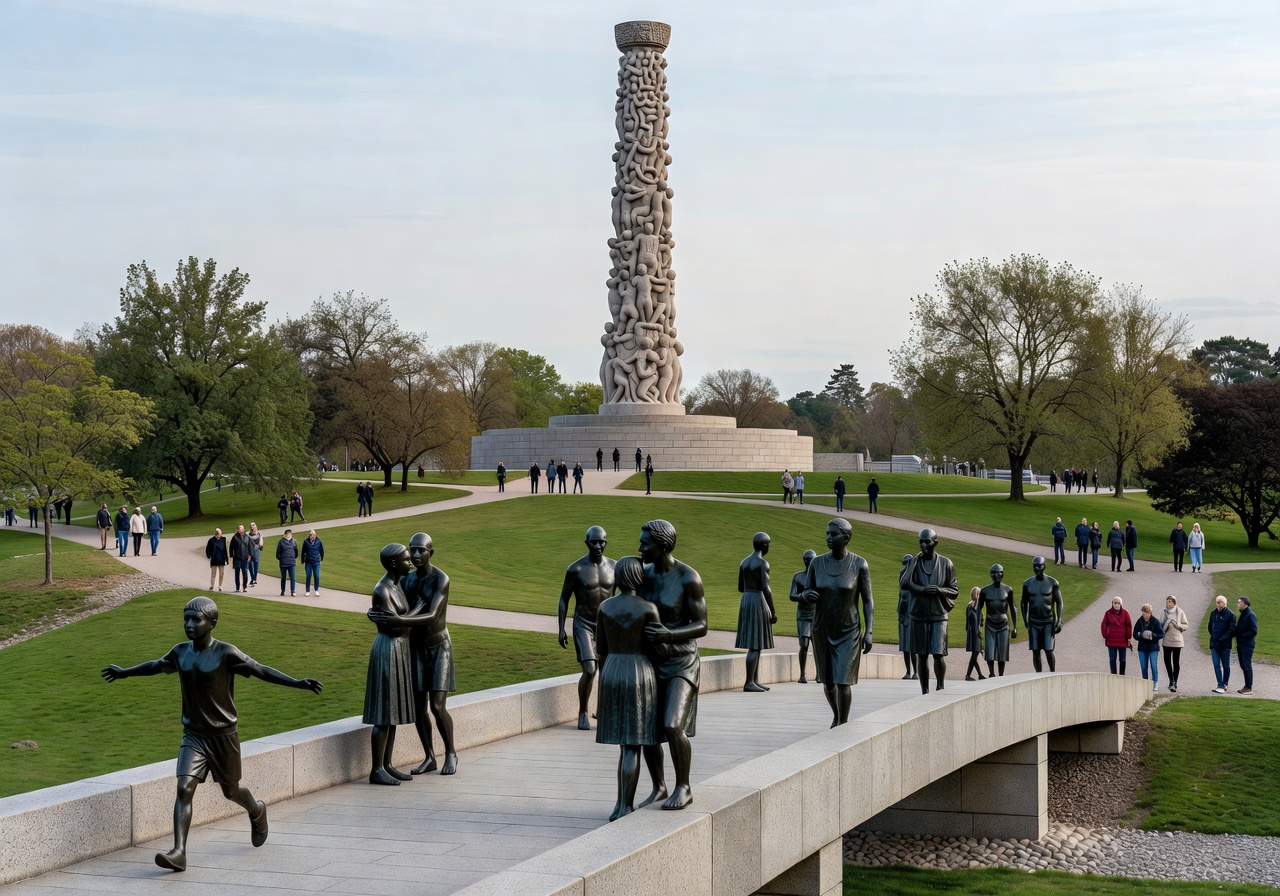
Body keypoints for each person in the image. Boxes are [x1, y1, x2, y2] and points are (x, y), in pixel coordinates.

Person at [100, 596, 322, 872]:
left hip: (223, 736)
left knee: (231, 791)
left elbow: (261, 669)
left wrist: (297, 683)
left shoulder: (226, 653)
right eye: (186, 618)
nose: (189, 624)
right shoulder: (180, 652)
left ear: (212, 623)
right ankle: (179, 852)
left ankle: (257, 810)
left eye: (196, 619)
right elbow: (157, 665)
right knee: (184, 788)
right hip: (193, 735)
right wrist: (125, 673)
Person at [637, 519, 707, 810]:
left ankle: (684, 786)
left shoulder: (688, 578)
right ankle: (659, 787)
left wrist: (670, 633)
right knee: (648, 729)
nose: (640, 547)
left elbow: (702, 624)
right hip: (652, 660)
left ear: (662, 545)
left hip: (681, 660)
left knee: (671, 724)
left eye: (645, 543)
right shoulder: (644, 576)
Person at [594, 555, 662, 822]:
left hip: (612, 671)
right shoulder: (648, 608)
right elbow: (657, 647)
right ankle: (624, 806)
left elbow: (600, 648)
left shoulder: (605, 607)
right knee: (633, 743)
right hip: (638, 671)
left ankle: (622, 802)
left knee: (625, 744)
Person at [801, 518, 874, 727]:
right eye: (827, 534)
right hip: (822, 628)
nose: (828, 538)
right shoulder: (817, 563)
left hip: (848, 630)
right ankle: (836, 714)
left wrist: (869, 631)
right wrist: (807, 596)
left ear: (847, 538)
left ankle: (843, 722)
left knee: (843, 680)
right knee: (828, 681)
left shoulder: (859, 564)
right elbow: (806, 591)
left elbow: (868, 600)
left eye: (834, 534)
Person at [362, 544, 416, 785]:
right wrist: (420, 612)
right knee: (384, 712)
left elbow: (401, 621)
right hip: (388, 650)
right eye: (406, 559)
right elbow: (396, 626)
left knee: (392, 711)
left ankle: (387, 764)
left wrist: (407, 617)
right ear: (394, 564)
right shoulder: (382, 590)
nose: (411, 562)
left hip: (399, 650)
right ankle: (376, 769)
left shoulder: (399, 584)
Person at [558, 526, 617, 730]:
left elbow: (620, 598)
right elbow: (564, 599)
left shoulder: (614, 567)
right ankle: (582, 711)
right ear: (587, 543)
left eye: (602, 542)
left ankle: (602, 710)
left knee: (607, 670)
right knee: (590, 670)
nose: (598, 546)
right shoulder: (576, 569)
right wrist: (561, 628)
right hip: (583, 624)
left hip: (605, 625)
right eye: (594, 542)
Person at [901, 528, 958, 694]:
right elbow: (905, 583)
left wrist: (939, 590)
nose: (923, 544)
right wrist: (912, 563)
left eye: (927, 541)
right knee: (922, 654)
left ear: (935, 543)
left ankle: (940, 686)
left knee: (938, 653)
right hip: (918, 614)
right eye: (921, 541)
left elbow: (954, 591)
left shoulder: (946, 564)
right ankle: (924, 691)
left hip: (939, 614)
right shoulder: (915, 562)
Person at [735, 532, 777, 693]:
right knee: (755, 644)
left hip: (746, 600)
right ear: (765, 546)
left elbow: (740, 587)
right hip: (757, 600)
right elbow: (766, 588)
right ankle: (749, 682)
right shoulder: (762, 563)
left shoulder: (744, 562)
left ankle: (754, 680)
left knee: (756, 643)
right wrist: (773, 611)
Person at [1021, 557, 1063, 672]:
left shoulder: (1052, 583)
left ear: (1044, 566)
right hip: (1033, 622)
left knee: (1048, 650)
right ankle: (1038, 675)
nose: (1037, 568)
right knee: (1035, 650)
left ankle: (1052, 672)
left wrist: (1059, 621)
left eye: (1039, 566)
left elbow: (1059, 603)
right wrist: (1025, 620)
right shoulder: (1027, 584)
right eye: (1035, 566)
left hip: (1048, 622)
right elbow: (1023, 603)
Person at [978, 563, 1017, 677]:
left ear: (1002, 574)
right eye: (994, 573)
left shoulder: (1008, 590)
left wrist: (1014, 627)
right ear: (991, 575)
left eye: (998, 572)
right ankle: (991, 673)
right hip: (990, 624)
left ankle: (1001, 674)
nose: (996, 575)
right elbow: (979, 608)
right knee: (989, 651)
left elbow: (1012, 608)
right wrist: (978, 623)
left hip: (1003, 625)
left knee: (1002, 653)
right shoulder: (985, 591)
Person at [789, 550, 818, 683]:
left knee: (817, 645)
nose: (809, 562)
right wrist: (802, 596)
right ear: (804, 560)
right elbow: (792, 595)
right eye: (807, 559)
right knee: (804, 644)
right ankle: (802, 674)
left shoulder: (820, 577)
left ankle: (819, 674)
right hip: (803, 613)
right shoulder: (798, 576)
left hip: (816, 614)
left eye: (811, 559)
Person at [1160, 595, 1189, 692]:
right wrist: (1166, 624)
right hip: (1167, 640)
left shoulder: (1180, 612)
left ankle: (1175, 682)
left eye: (1170, 602)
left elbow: (1186, 625)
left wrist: (1178, 625)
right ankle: (1171, 680)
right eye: (1167, 602)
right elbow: (1160, 625)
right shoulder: (1164, 612)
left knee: (1176, 662)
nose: (1168, 604)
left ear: (1174, 603)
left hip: (1177, 641)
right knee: (1167, 661)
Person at [1207, 595, 1235, 693]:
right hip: (1214, 644)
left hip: (1225, 645)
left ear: (1225, 603)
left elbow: (1231, 630)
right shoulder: (1213, 613)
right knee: (1216, 664)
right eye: (1217, 602)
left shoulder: (1230, 615)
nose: (1219, 604)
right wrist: (1215, 638)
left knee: (1226, 665)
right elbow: (1210, 627)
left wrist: (1222, 638)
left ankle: (1225, 683)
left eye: (1221, 602)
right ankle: (1220, 684)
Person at [1132, 603, 1164, 689]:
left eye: (1146, 613)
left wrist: (1152, 635)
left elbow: (1161, 634)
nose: (1144, 616)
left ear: (1150, 613)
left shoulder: (1155, 621)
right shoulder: (1139, 621)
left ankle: (1155, 682)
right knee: (1143, 666)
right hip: (1142, 647)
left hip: (1153, 647)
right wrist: (1141, 635)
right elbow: (1135, 634)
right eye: (1143, 614)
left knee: (1153, 665)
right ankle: (1145, 682)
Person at [1100, 596, 1132, 675]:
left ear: (1121, 604)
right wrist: (1105, 635)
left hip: (1122, 640)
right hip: (1112, 640)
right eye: (1115, 603)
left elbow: (1128, 625)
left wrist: (1128, 637)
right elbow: (1104, 624)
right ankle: (1113, 675)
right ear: (1112, 604)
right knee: (1112, 659)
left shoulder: (1125, 613)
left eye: (1118, 603)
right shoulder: (1108, 613)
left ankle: (1122, 675)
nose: (1116, 605)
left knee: (1123, 659)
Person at [896, 554, 914, 680]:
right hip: (907, 618)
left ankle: (912, 672)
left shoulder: (908, 589)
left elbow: (902, 603)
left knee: (910, 647)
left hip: (908, 618)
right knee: (909, 648)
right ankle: (911, 672)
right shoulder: (906, 589)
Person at [1236, 596, 1257, 695]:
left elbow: (1254, 630)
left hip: (1246, 645)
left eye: (1239, 602)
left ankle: (1249, 687)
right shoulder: (1244, 614)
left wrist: (1242, 637)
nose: (1238, 604)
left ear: (1245, 603)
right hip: (1242, 644)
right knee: (1243, 665)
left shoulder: (1249, 614)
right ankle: (1247, 686)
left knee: (1246, 665)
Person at [964, 587, 985, 681]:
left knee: (974, 654)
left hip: (973, 632)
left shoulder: (973, 606)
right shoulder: (973, 606)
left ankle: (979, 674)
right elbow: (974, 622)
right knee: (975, 654)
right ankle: (968, 675)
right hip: (974, 633)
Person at [229, 525, 252, 593]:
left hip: (245, 558)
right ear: (238, 530)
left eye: (242, 529)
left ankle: (244, 587)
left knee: (245, 573)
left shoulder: (247, 537)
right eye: (240, 529)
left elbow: (250, 547)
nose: (242, 530)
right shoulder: (235, 537)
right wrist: (231, 556)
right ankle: (237, 587)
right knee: (237, 573)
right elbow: (231, 547)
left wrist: (250, 555)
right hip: (237, 558)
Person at [301, 529, 325, 597]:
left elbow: (321, 551)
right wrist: (303, 560)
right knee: (308, 576)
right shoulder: (306, 542)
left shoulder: (318, 541)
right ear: (310, 535)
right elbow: (303, 551)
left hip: (316, 562)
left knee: (316, 576)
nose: (313, 536)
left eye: (314, 535)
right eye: (312, 535)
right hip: (308, 562)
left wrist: (321, 558)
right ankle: (307, 590)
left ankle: (316, 590)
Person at [276, 529, 299, 597]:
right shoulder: (281, 542)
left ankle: (292, 590)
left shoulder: (294, 542)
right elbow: (277, 554)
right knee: (283, 577)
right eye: (289, 534)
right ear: (285, 535)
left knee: (292, 577)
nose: (290, 536)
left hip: (291, 563)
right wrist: (282, 559)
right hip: (283, 563)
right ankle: (283, 590)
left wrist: (293, 558)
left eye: (291, 534)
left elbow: (296, 552)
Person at [247, 522, 263, 587]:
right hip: (250, 551)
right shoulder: (248, 535)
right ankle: (253, 578)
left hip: (257, 551)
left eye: (254, 528)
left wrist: (261, 545)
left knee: (256, 564)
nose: (254, 529)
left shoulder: (259, 534)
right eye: (252, 528)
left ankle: (254, 579)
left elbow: (261, 542)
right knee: (251, 565)